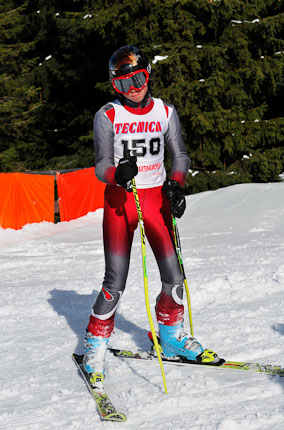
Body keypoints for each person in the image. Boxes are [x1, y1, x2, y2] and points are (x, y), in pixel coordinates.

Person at [83, 46, 218, 384]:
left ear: (149, 76)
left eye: (139, 78)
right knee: (115, 281)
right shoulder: (108, 115)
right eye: (124, 84)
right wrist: (118, 173)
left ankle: (170, 335)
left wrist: (175, 184)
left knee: (174, 277)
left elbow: (181, 156)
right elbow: (101, 166)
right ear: (115, 87)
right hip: (121, 200)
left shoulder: (165, 111)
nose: (134, 88)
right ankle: (95, 342)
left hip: (156, 198)